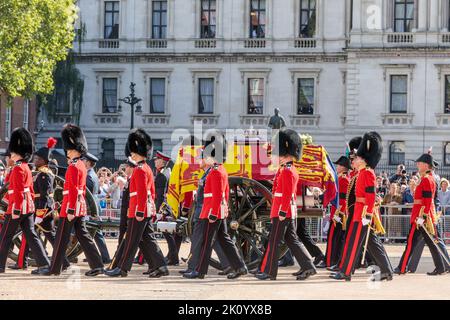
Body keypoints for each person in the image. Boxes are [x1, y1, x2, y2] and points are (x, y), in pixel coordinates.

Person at [183, 131, 247, 280]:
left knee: (206, 242)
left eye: (207, 156)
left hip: (212, 212)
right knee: (224, 240)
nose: (204, 158)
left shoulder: (217, 172)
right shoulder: (215, 170)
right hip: (214, 211)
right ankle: (240, 266)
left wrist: (212, 213)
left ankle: (199, 271)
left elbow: (217, 196)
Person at [105, 128, 168, 278]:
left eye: (134, 151)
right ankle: (160, 266)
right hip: (142, 208)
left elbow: (140, 193)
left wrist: (139, 211)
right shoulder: (146, 168)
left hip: (139, 210)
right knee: (148, 239)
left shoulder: (140, 170)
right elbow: (149, 192)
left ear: (140, 152)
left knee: (131, 241)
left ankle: (122, 268)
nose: (131, 154)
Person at [331, 132, 393, 281]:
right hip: (359, 211)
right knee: (372, 243)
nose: (355, 159)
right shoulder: (362, 172)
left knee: (353, 242)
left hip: (362, 212)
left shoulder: (368, 173)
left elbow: (370, 197)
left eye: (357, 157)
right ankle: (387, 271)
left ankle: (346, 272)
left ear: (364, 160)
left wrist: (367, 215)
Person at [255, 128, 316, 281]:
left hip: (284, 211)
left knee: (274, 241)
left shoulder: (288, 171)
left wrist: (281, 212)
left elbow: (287, 194)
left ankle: (269, 271)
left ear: (287, 155)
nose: (278, 157)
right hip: (282, 209)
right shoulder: (284, 170)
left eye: (280, 154)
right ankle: (308, 266)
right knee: (291, 240)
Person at [44, 124, 104, 276]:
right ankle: (97, 265)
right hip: (78, 206)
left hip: (71, 208)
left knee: (61, 238)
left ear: (73, 149)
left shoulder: (74, 167)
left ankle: (54, 268)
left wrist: (70, 209)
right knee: (83, 236)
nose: (67, 153)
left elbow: (74, 191)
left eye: (68, 150)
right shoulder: (80, 165)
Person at [9, 137, 71, 271]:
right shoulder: (41, 172)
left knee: (51, 237)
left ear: (44, 161)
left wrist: (40, 212)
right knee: (29, 235)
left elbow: (45, 195)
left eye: (38, 159)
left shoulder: (44, 174)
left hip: (43, 209)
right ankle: (22, 261)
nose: (35, 160)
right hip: (38, 206)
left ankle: (64, 262)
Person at [0, 128, 51, 274]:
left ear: (16, 153)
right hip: (27, 207)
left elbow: (17, 191)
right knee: (31, 234)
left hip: (17, 207)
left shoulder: (17, 169)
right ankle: (44, 264)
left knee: (4, 236)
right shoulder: (25, 167)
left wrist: (15, 209)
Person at [395, 152, 450, 275]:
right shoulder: (426, 178)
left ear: (426, 165)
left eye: (420, 163)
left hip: (421, 217)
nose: (417, 165)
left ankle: (402, 267)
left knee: (410, 243)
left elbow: (427, 200)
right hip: (423, 215)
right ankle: (440, 267)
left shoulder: (426, 179)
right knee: (431, 243)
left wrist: (422, 216)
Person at [82, 152, 111, 264]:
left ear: (88, 163)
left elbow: (87, 193)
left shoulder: (89, 176)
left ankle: (102, 256)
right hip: (94, 205)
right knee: (94, 234)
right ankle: (98, 255)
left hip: (90, 208)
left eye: (84, 160)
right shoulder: (92, 174)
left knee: (95, 233)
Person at [153, 151, 180, 266]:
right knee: (168, 234)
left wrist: (158, 211)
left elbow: (160, 195)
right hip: (168, 208)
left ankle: (173, 257)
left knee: (167, 234)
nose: (155, 161)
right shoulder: (167, 173)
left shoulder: (162, 175)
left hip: (163, 209)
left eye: (157, 159)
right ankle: (172, 257)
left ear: (162, 162)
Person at [325, 156, 351, 268]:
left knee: (334, 237)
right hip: (337, 212)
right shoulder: (340, 178)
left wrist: (338, 214)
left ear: (344, 167)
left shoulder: (344, 179)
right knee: (335, 237)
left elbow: (343, 199)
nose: (337, 167)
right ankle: (331, 260)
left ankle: (330, 261)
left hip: (339, 214)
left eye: (339, 165)